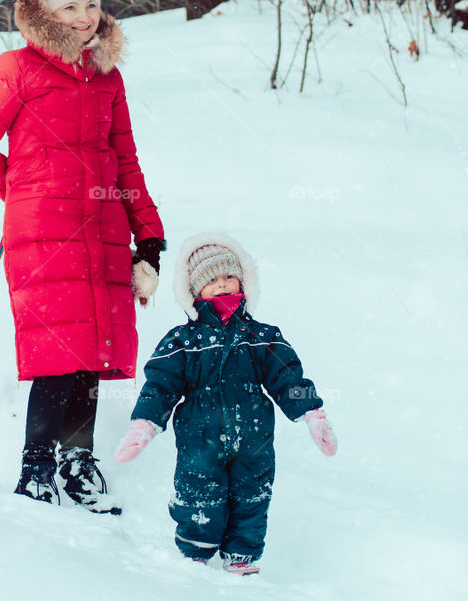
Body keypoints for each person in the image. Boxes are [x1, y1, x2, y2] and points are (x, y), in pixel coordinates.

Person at [0, 0, 164, 513]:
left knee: (92, 354)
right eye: (70, 7)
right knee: (57, 355)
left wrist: (148, 234)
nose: (83, 17)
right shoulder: (17, 68)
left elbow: (126, 162)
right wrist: (28, 194)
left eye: (91, 4)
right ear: (45, 11)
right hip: (43, 237)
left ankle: (79, 465)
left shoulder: (108, 78)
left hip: (102, 232)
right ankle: (37, 472)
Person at [115, 232, 337, 572]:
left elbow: (287, 378)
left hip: (254, 438)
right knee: (198, 494)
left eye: (229, 276)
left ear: (243, 281)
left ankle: (242, 557)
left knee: (252, 497)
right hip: (199, 439)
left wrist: (311, 412)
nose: (222, 285)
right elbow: (161, 385)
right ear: (193, 291)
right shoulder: (183, 340)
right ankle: (196, 554)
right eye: (211, 279)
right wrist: (144, 423)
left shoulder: (261, 337)